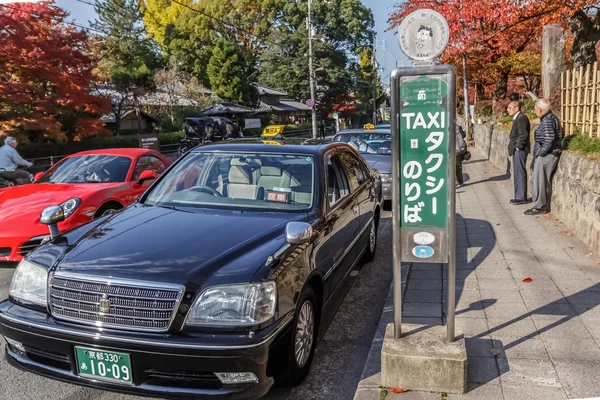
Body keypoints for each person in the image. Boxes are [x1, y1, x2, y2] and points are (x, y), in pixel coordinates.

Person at [525, 99, 563, 216]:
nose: (535, 111)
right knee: (539, 179)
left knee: (540, 180)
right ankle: (539, 205)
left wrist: (541, 153)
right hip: (548, 153)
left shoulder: (547, 120)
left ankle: (540, 206)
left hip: (548, 154)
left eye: (536, 108)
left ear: (540, 110)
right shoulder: (549, 118)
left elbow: (549, 138)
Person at [507, 101, 531, 205]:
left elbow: (523, 134)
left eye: (510, 108)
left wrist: (518, 147)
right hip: (517, 150)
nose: (508, 110)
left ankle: (521, 197)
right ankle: (518, 195)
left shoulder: (521, 118)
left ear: (517, 108)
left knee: (520, 172)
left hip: (520, 150)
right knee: (517, 173)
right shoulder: (517, 118)